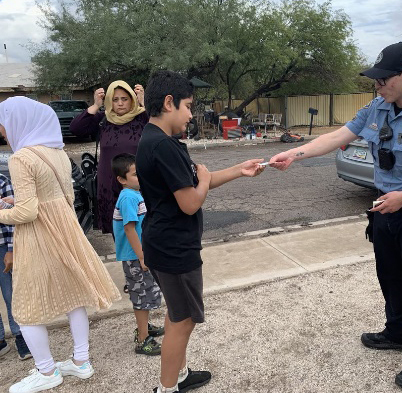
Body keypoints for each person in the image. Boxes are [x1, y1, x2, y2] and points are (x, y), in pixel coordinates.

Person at [269, 42, 402, 390]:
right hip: (383, 210)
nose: (376, 87)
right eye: (374, 81)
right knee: (390, 277)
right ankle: (397, 333)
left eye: (382, 80)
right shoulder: (378, 108)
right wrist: (294, 153)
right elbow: (337, 136)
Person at [136, 70, 265, 393]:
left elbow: (193, 181)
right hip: (175, 249)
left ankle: (179, 376)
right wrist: (204, 180)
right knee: (183, 321)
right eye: (189, 106)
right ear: (169, 103)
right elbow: (191, 201)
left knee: (176, 315)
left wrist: (238, 170)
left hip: (163, 244)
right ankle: (167, 389)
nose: (191, 114)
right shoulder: (163, 146)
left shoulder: (156, 139)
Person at [0, 97, 121, 393]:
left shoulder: (21, 157)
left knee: (24, 306)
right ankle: (81, 362)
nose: (3, 130)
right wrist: (21, 201)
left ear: (18, 121)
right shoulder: (56, 152)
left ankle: (46, 371)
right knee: (74, 294)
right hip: (65, 229)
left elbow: (27, 213)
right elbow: (62, 195)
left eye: (4, 122)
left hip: (38, 235)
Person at [70, 80, 148, 234]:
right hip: (110, 185)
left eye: (124, 99)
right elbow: (76, 128)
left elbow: (161, 126)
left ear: (132, 99)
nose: (120, 103)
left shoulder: (141, 118)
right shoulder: (103, 119)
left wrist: (143, 103)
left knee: (143, 229)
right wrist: (95, 105)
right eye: (115, 99)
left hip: (139, 184)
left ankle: (142, 258)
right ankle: (128, 259)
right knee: (118, 231)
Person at [112, 153, 164, 356]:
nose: (140, 177)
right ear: (121, 179)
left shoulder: (135, 194)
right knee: (141, 295)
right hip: (135, 256)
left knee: (147, 292)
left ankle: (145, 326)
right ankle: (143, 339)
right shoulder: (128, 197)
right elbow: (129, 229)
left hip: (141, 253)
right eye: (135, 175)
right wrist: (142, 256)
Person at [0, 173, 31, 361]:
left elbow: (13, 216)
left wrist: (11, 250)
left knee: (10, 292)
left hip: (2, 246)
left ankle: (20, 335)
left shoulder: (2, 182)